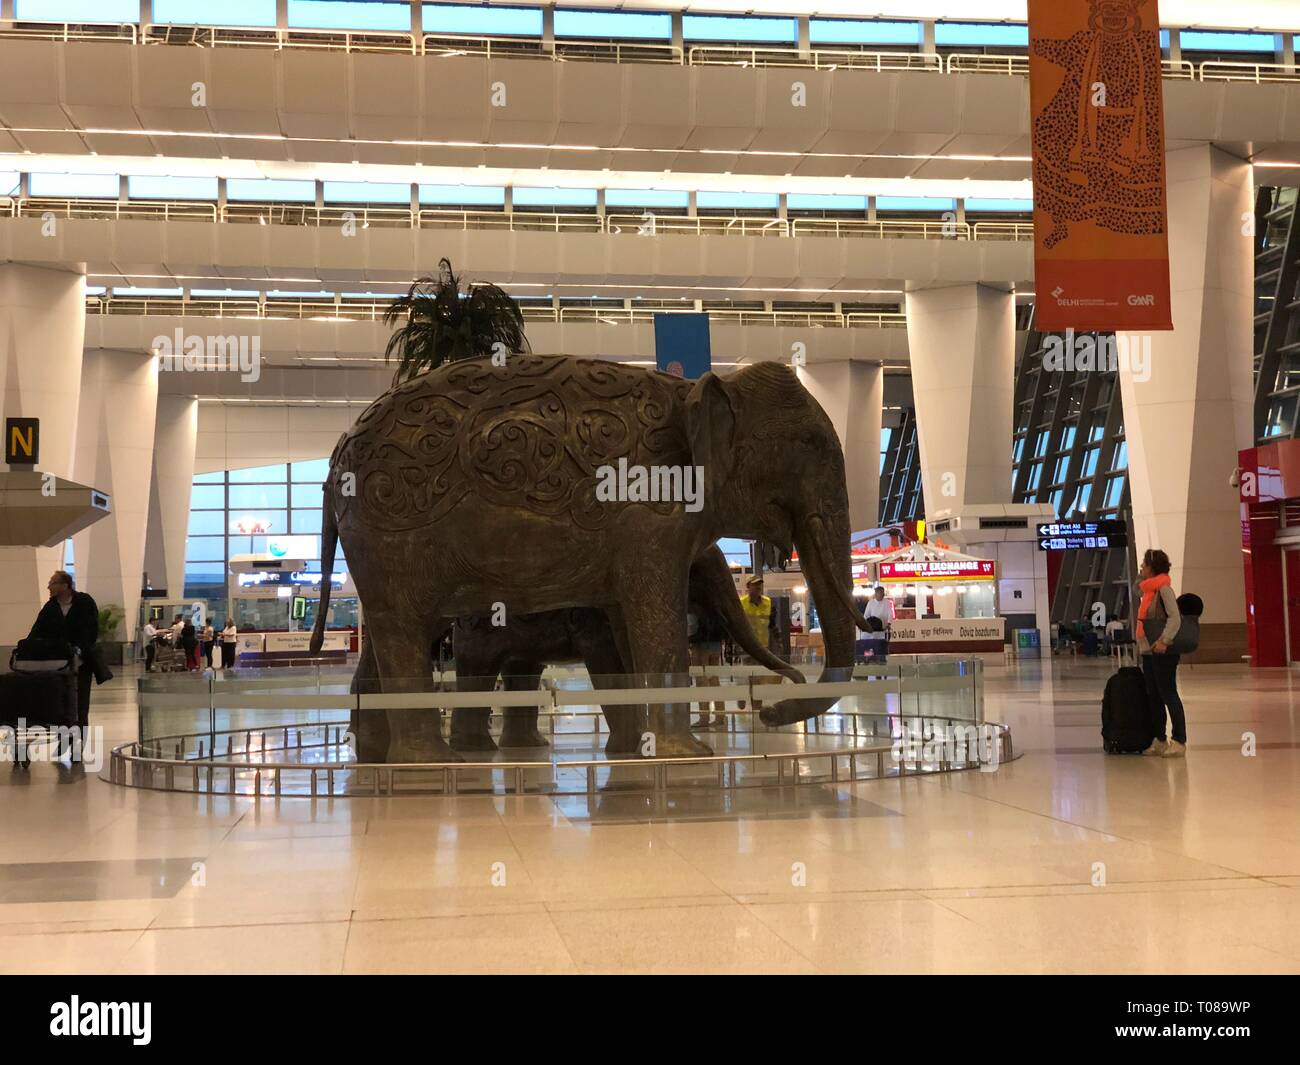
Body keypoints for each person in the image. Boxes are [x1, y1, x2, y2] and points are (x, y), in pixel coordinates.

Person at [27, 571, 99, 758]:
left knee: (80, 706)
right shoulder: (50, 608)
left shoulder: (84, 602)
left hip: (81, 663)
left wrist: (79, 650)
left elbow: (91, 630)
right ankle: (63, 743)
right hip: (58, 664)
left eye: (52, 583)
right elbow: (36, 633)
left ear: (65, 585)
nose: (48, 587)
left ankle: (77, 747)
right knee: (60, 703)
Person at [1136, 548, 1185, 758]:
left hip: (1163, 650)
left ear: (1152, 568)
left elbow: (1175, 618)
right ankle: (1160, 738)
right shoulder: (1148, 592)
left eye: (1144, 565)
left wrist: (1164, 640)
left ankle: (1179, 740)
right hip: (1149, 650)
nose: (1141, 568)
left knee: (1168, 693)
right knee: (1154, 695)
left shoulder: (1163, 589)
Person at [739, 574, 782, 710]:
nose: (758, 587)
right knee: (749, 677)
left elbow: (772, 624)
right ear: (748, 587)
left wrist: (778, 640)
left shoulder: (768, 602)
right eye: (755, 585)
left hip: (763, 647)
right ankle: (744, 696)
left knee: (759, 677)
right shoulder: (741, 603)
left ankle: (757, 707)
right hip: (747, 647)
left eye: (759, 585)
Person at [688, 606, 727, 730]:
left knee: (701, 680)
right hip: (715, 644)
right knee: (714, 679)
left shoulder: (695, 604)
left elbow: (692, 624)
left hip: (700, 645)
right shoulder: (714, 603)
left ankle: (704, 717)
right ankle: (720, 715)